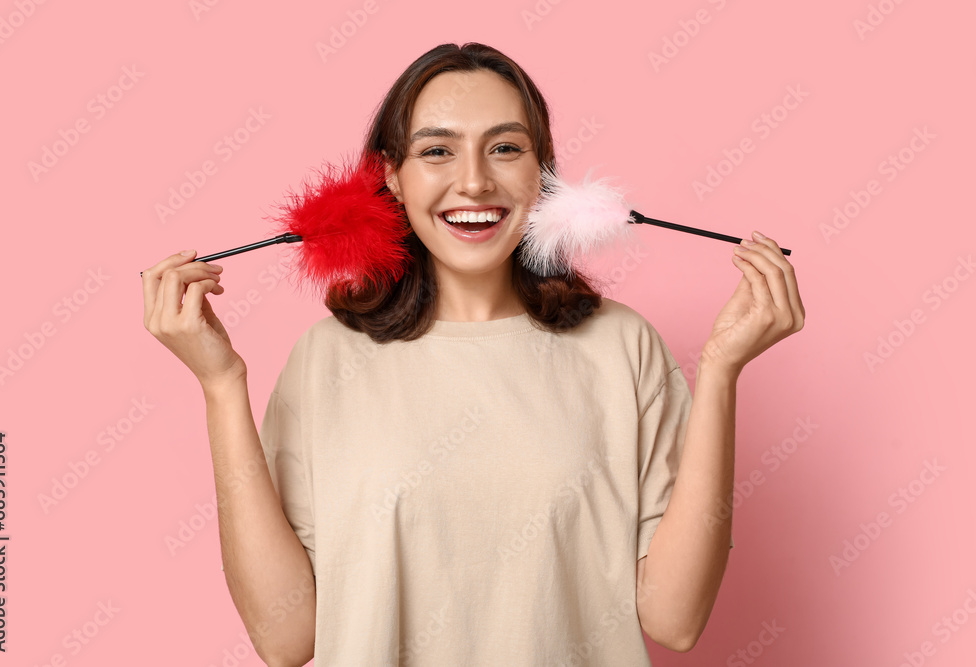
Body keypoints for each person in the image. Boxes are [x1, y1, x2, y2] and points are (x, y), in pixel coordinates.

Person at [142, 42, 804, 666]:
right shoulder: (324, 361)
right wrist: (221, 383)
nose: (475, 181)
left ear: (541, 174)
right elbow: (286, 636)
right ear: (393, 178)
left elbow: (675, 616)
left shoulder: (622, 348)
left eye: (505, 148)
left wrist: (721, 370)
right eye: (437, 151)